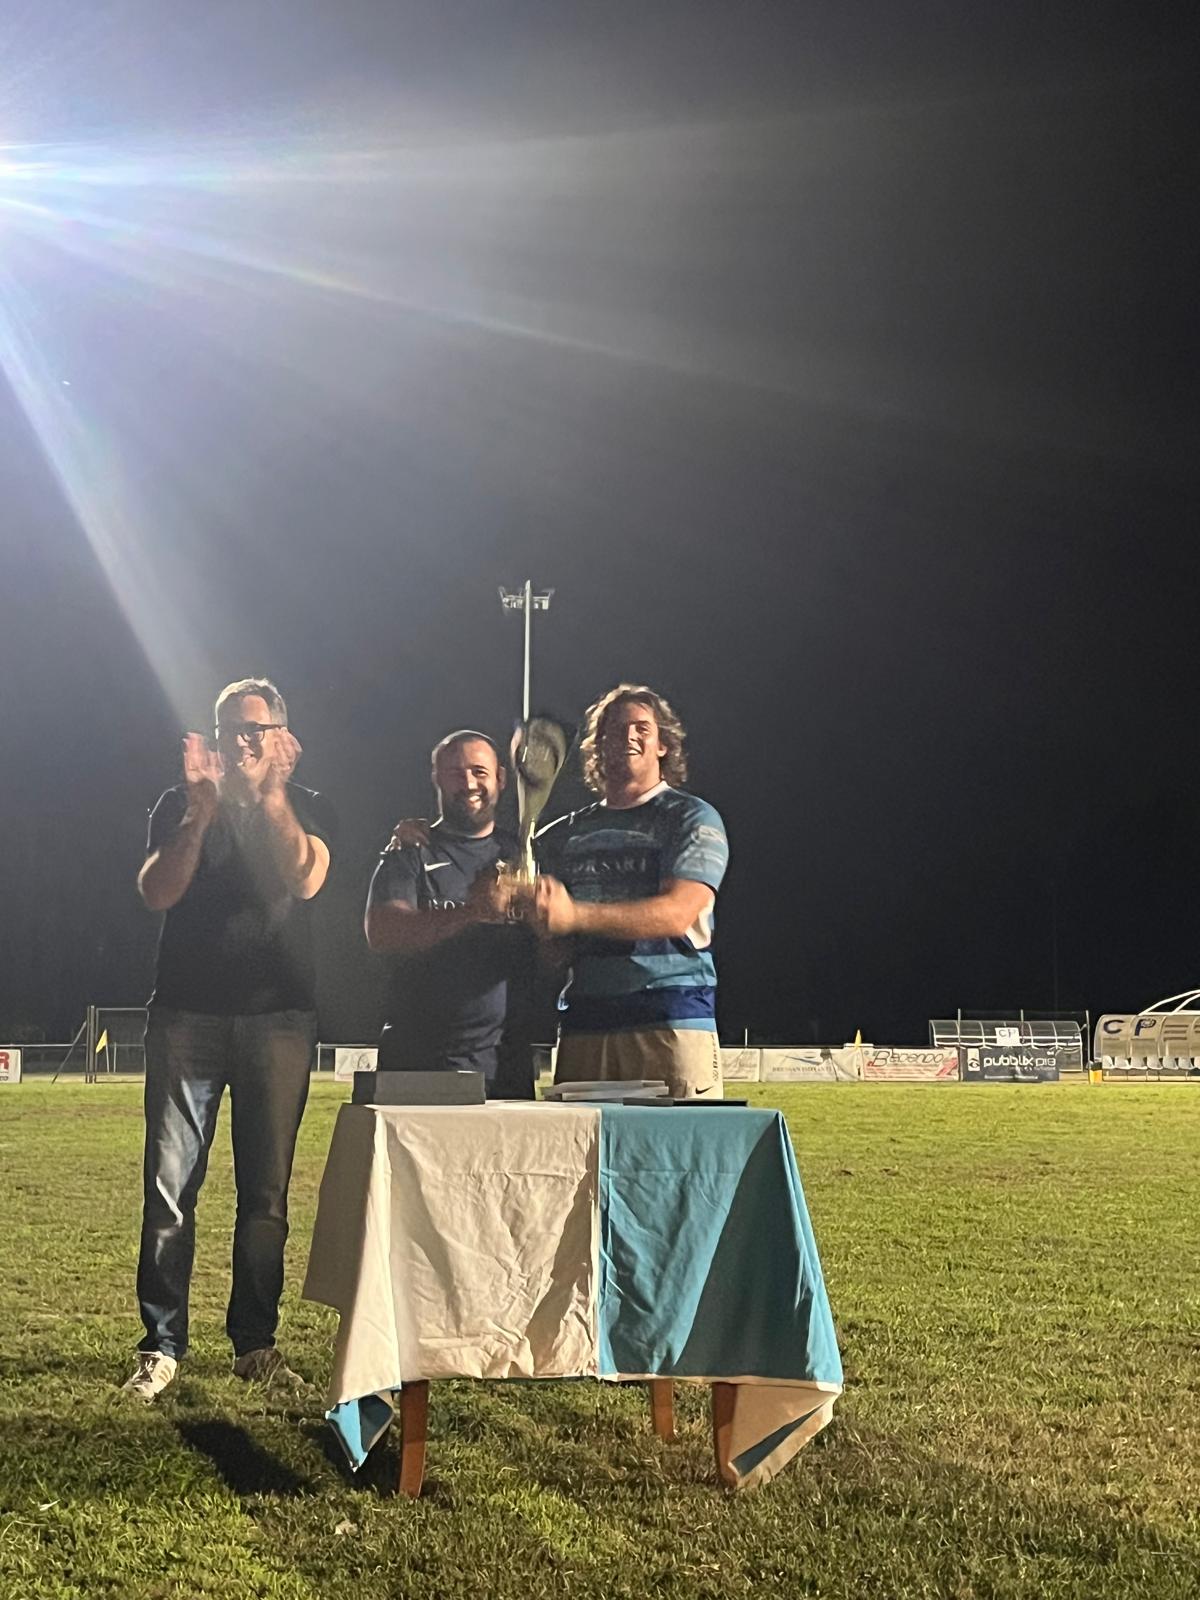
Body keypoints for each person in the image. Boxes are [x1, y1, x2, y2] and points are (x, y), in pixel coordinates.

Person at [123, 678, 335, 1402]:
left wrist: (272, 795)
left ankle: (254, 1344)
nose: (240, 741)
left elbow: (305, 878)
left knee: (265, 1197)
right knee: (169, 1190)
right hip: (186, 1017)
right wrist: (200, 813)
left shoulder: (309, 805)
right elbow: (157, 890)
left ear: (282, 736)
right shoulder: (179, 804)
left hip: (279, 1021)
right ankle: (161, 1345)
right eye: (229, 728)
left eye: (255, 729)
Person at [532, 684, 729, 1099]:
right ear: (597, 746)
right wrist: (537, 921)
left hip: (670, 1018)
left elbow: (677, 913)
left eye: (642, 727)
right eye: (615, 729)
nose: (629, 736)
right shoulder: (558, 836)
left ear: (663, 745)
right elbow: (555, 952)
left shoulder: (691, 818)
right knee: (579, 1143)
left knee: (677, 1143)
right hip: (584, 1022)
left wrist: (574, 915)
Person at [364, 730, 534, 1096]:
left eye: (479, 771)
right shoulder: (410, 852)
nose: (468, 783)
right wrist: (473, 911)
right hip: (419, 1064)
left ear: (501, 778)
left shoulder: (523, 855)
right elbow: (384, 932)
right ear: (436, 778)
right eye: (455, 773)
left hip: (505, 1066)